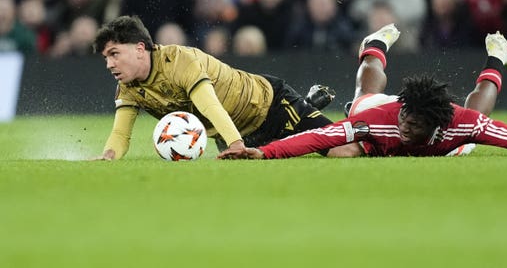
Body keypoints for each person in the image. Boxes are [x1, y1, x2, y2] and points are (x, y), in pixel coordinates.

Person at [219, 24, 507, 159]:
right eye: (405, 117)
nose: (406, 126)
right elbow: (317, 136)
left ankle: (497, 57)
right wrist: (264, 153)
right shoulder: (387, 118)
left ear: (436, 123)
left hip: (443, 133)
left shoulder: (459, 124)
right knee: (361, 99)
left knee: (482, 116)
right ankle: (377, 44)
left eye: (414, 123)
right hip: (373, 120)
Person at [91, 15, 335, 160]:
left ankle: (343, 110)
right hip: (235, 133)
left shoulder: (179, 61)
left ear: (140, 48)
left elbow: (210, 106)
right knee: (269, 163)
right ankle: (309, 105)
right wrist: (108, 157)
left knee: (344, 151)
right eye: (105, 58)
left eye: (114, 54)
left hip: (271, 106)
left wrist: (236, 144)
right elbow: (121, 134)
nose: (109, 64)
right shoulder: (128, 87)